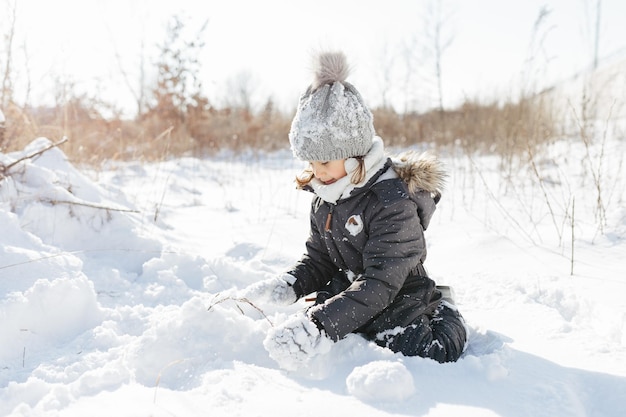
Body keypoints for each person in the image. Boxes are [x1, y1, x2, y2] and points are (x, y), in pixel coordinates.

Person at [242, 51, 467, 371]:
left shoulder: (392, 204)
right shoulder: (326, 197)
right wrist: (290, 284)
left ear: (354, 156)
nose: (316, 172)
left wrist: (318, 327)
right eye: (310, 163)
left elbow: (380, 284)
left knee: (423, 350)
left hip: (399, 291)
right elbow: (319, 259)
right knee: (342, 327)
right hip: (351, 287)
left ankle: (444, 307)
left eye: (324, 162)